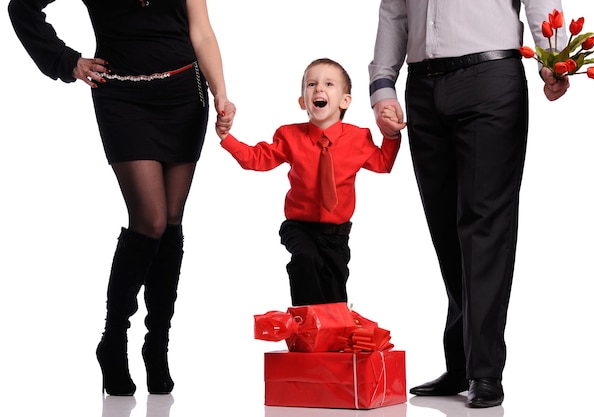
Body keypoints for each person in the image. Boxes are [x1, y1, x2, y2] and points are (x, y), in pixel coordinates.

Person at [8, 0, 234, 396]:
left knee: (172, 221)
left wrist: (221, 94)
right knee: (151, 220)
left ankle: (157, 346)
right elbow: (22, 7)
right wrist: (66, 61)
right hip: (122, 98)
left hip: (184, 95)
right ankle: (113, 340)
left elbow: (201, 32)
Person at [368, 0, 570, 409]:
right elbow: (393, 10)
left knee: (484, 226)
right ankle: (461, 362)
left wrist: (554, 60)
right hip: (422, 85)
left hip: (491, 78)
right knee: (445, 227)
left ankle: (484, 371)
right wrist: (383, 86)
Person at [218, 58, 402, 307]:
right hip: (299, 227)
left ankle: (332, 330)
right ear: (303, 101)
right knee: (305, 259)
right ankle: (306, 321)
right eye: (312, 84)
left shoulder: (358, 138)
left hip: (337, 234)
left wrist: (391, 136)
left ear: (345, 101)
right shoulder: (290, 136)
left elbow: (383, 163)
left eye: (328, 84)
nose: (319, 89)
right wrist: (227, 138)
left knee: (334, 294)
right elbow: (257, 159)